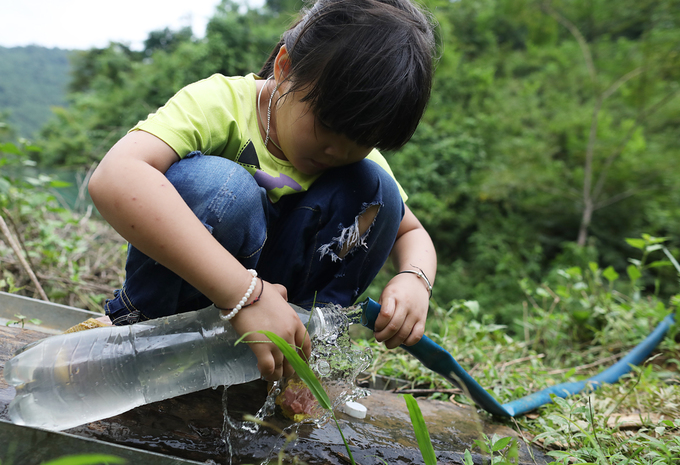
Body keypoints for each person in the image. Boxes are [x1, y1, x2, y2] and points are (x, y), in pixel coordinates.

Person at [88, 0, 438, 382]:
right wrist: (245, 294)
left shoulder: (351, 162)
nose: (339, 151)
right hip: (181, 309)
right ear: (285, 69)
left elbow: (411, 231)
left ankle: (296, 352)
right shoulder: (221, 105)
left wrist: (415, 279)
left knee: (376, 191)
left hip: (277, 314)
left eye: (363, 140)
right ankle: (137, 330)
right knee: (223, 187)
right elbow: (116, 176)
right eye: (325, 125)